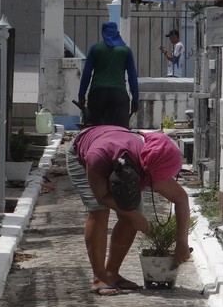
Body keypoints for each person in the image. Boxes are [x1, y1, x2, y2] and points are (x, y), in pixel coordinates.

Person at [65, 125, 192, 296]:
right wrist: (134, 216)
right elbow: (101, 195)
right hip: (86, 153)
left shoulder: (153, 160)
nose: (156, 189)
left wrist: (182, 243)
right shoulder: (96, 156)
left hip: (120, 155)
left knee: (132, 214)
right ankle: (99, 277)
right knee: (99, 211)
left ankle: (112, 273)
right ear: (148, 171)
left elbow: (181, 199)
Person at [78, 22, 139, 128]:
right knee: (119, 132)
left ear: (102, 33)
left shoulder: (95, 49)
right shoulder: (126, 50)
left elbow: (86, 74)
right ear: (117, 32)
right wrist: (135, 100)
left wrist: (81, 96)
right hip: (118, 95)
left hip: (97, 96)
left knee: (97, 130)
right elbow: (132, 77)